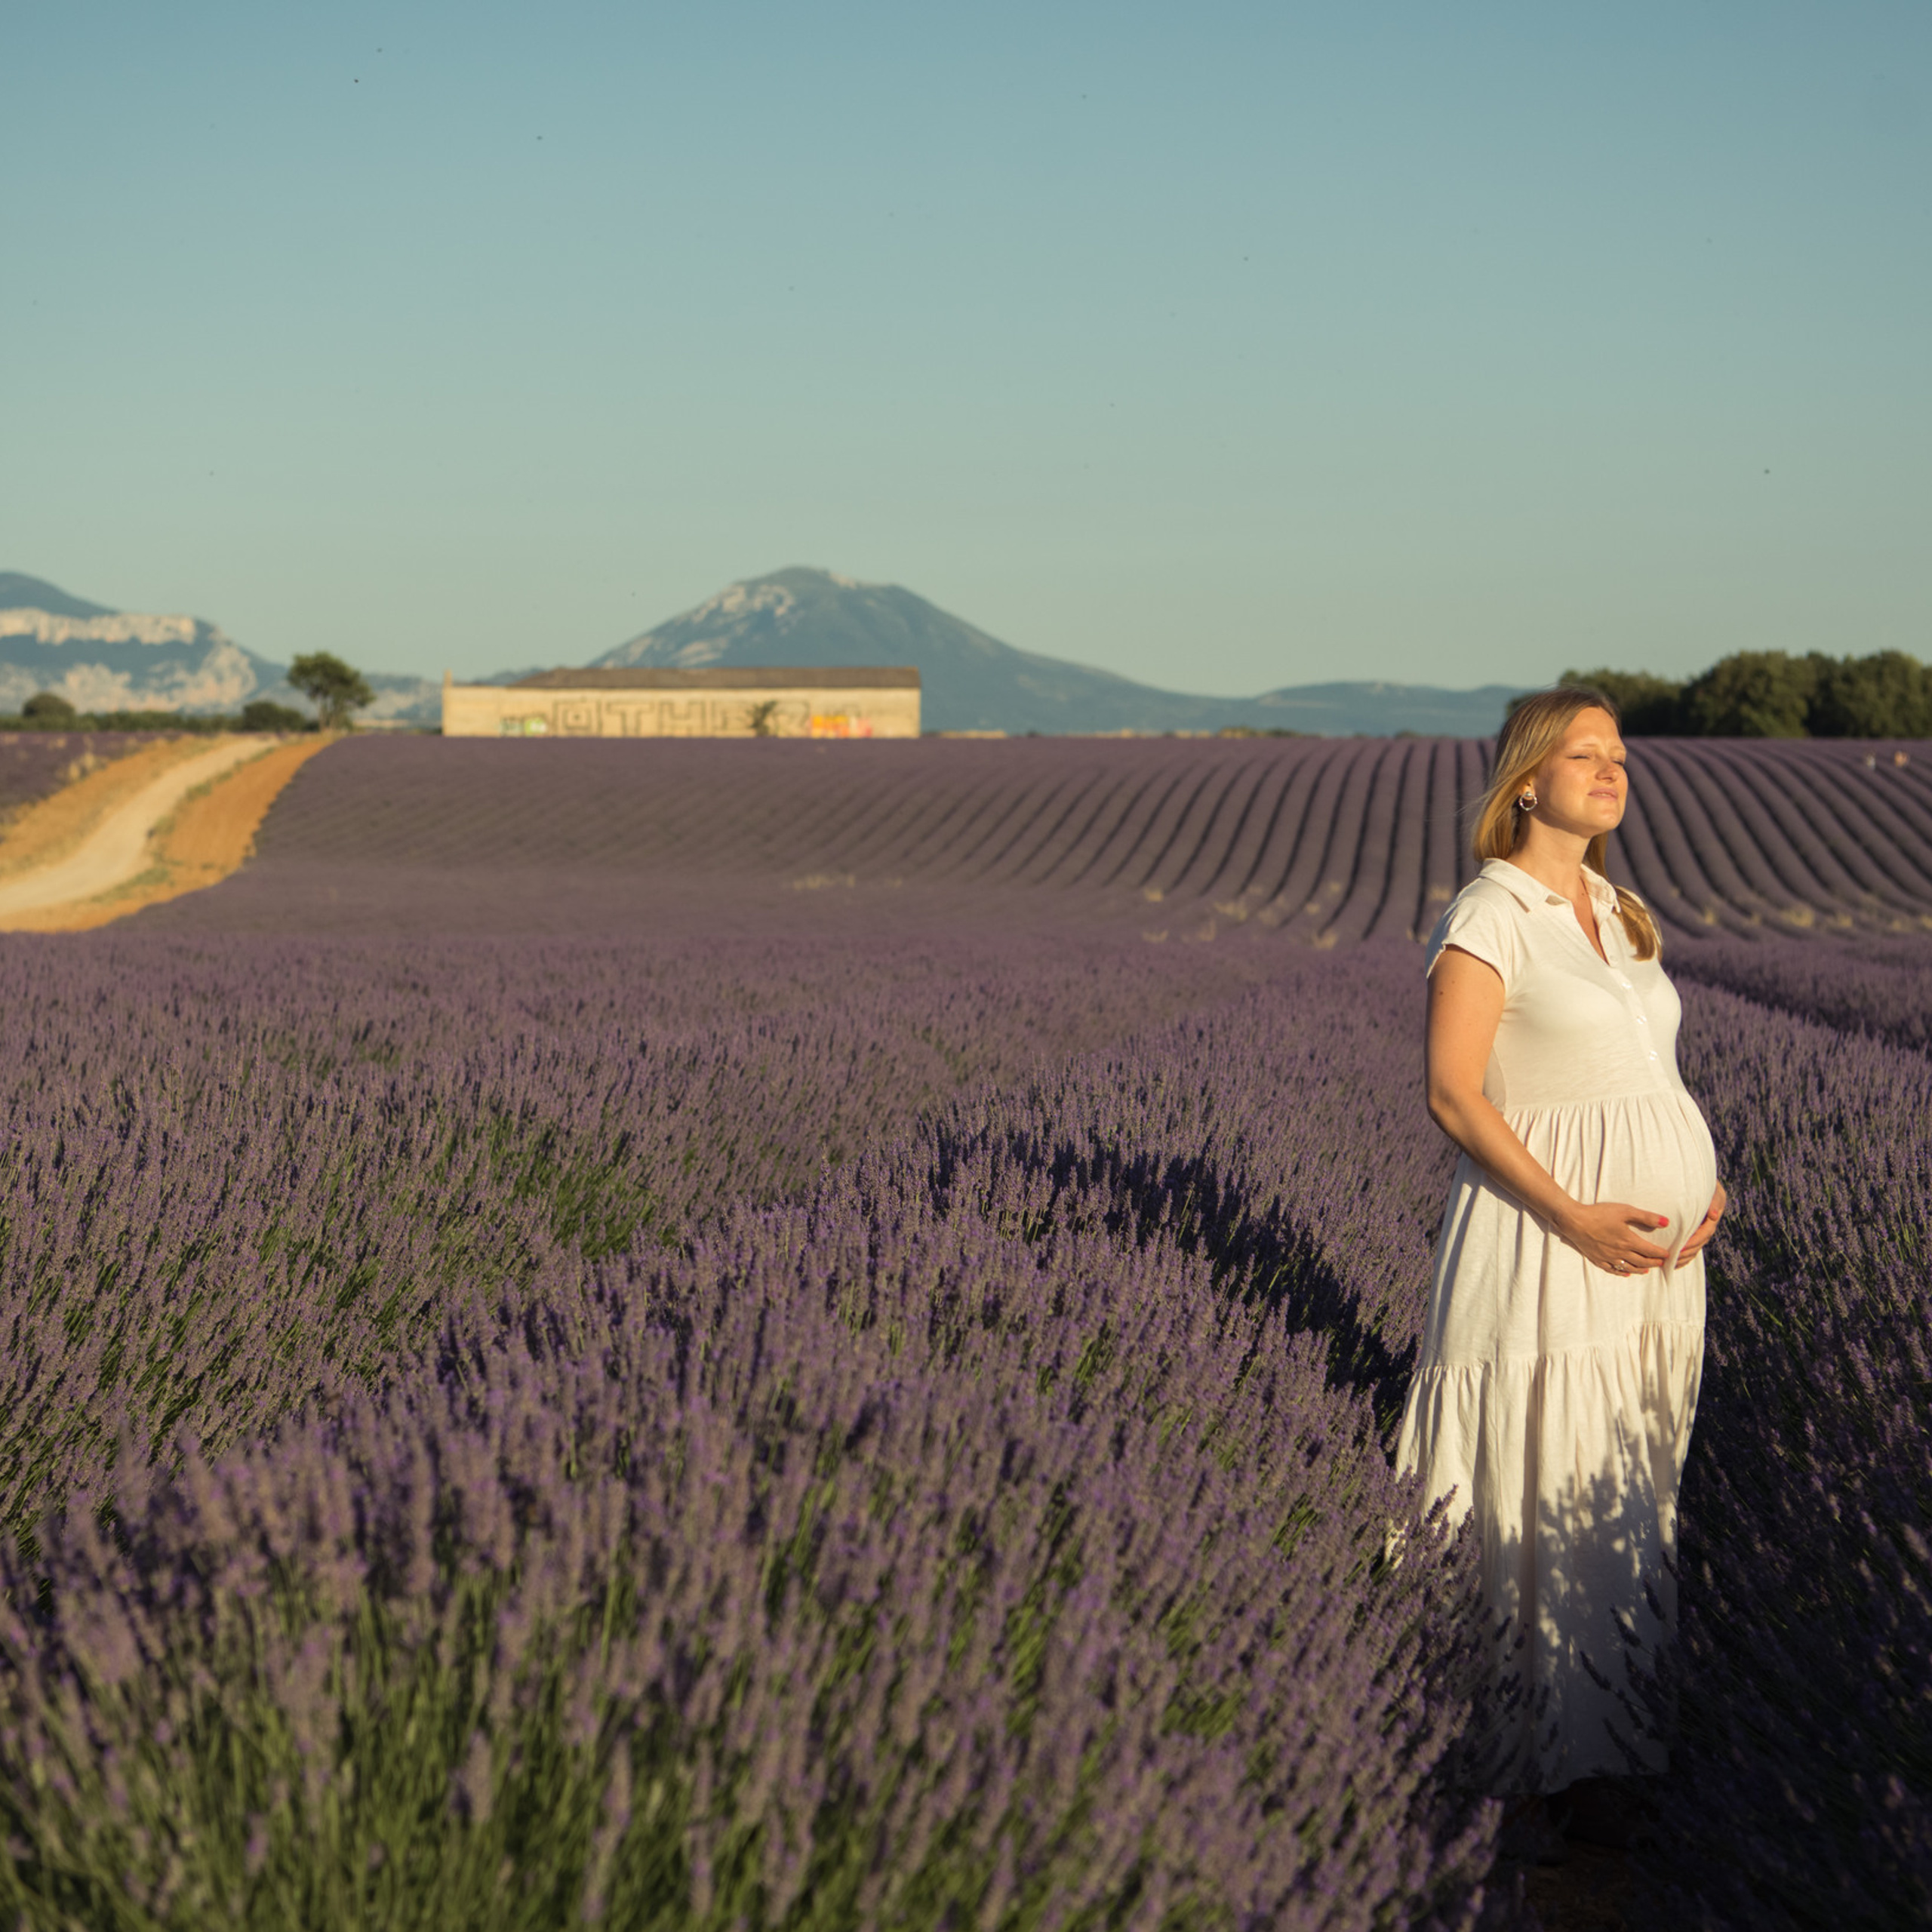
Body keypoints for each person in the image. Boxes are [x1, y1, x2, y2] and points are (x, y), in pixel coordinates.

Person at [1397, 687, 1726, 1860]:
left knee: (1628, 1495)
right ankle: (1524, 1770)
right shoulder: (1493, 914)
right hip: (1548, 1249)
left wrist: (1705, 1176)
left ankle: (1612, 1754)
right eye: (1585, 754)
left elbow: (1646, 1070)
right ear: (1525, 779)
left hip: (1652, 1267)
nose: (1612, 769)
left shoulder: (1620, 909)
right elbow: (1452, 1090)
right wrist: (1575, 1213)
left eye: (1621, 755)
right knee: (1541, 1488)